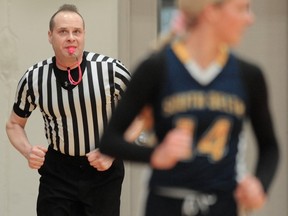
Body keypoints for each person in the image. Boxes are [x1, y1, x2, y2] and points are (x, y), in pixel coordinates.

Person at [99, 0, 280, 215]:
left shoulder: (249, 75)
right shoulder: (156, 68)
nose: (250, 19)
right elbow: (110, 142)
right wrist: (156, 154)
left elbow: (270, 147)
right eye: (242, 9)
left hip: (222, 203)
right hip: (166, 201)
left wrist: (260, 184)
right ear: (211, 12)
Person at [6, 4, 131, 216]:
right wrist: (27, 151)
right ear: (50, 36)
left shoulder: (112, 70)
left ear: (84, 35)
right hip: (58, 172)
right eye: (63, 31)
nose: (71, 38)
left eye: (76, 32)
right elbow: (14, 124)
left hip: (102, 170)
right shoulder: (34, 77)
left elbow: (142, 116)